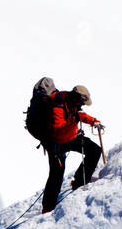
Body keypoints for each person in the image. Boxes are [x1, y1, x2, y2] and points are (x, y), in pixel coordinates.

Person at [41, 84, 103, 213]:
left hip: (71, 138)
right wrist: (73, 120)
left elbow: (79, 115)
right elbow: (57, 127)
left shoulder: (72, 102)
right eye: (83, 102)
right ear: (78, 98)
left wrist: (93, 121)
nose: (83, 105)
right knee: (56, 175)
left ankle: (80, 182)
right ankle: (48, 207)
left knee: (94, 150)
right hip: (56, 144)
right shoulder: (58, 104)